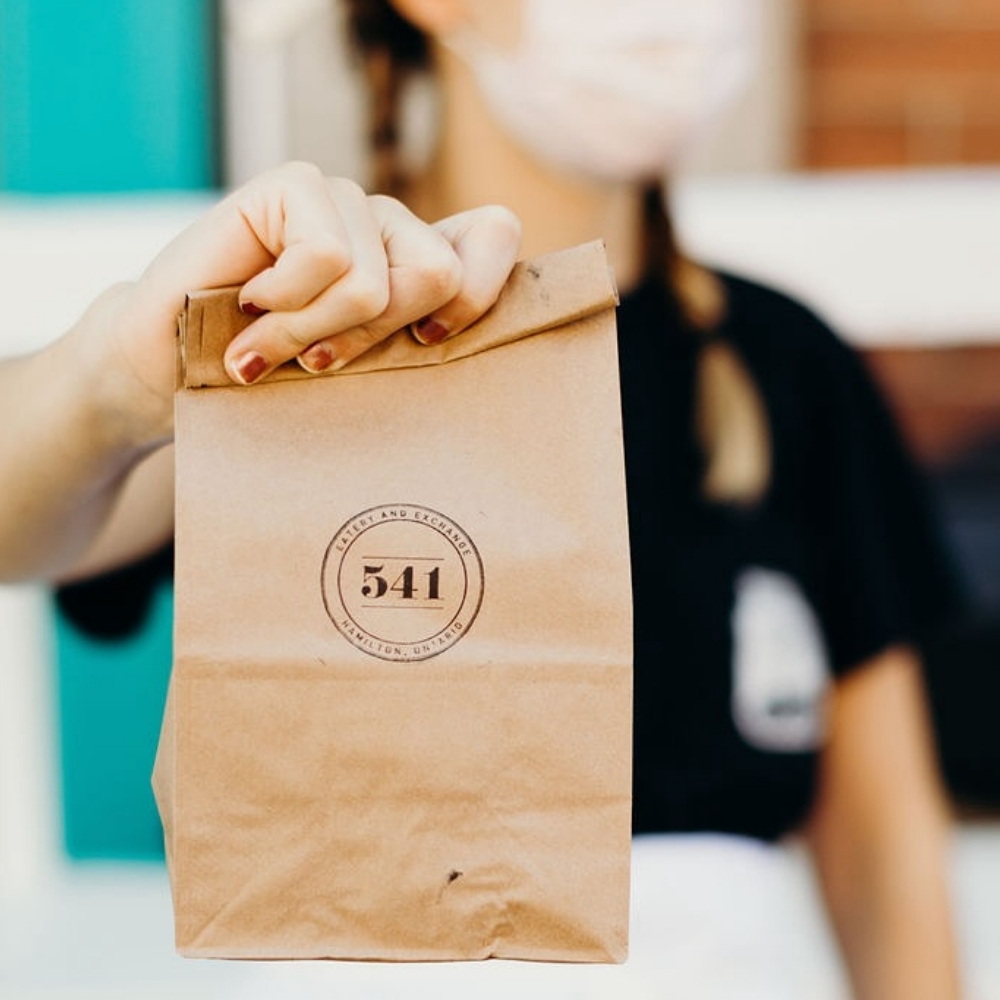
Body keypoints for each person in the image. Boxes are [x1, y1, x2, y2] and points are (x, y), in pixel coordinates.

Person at [0, 1, 968, 998]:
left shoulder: (788, 370)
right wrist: (114, 382)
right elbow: (19, 526)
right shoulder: (296, 341)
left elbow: (886, 865)